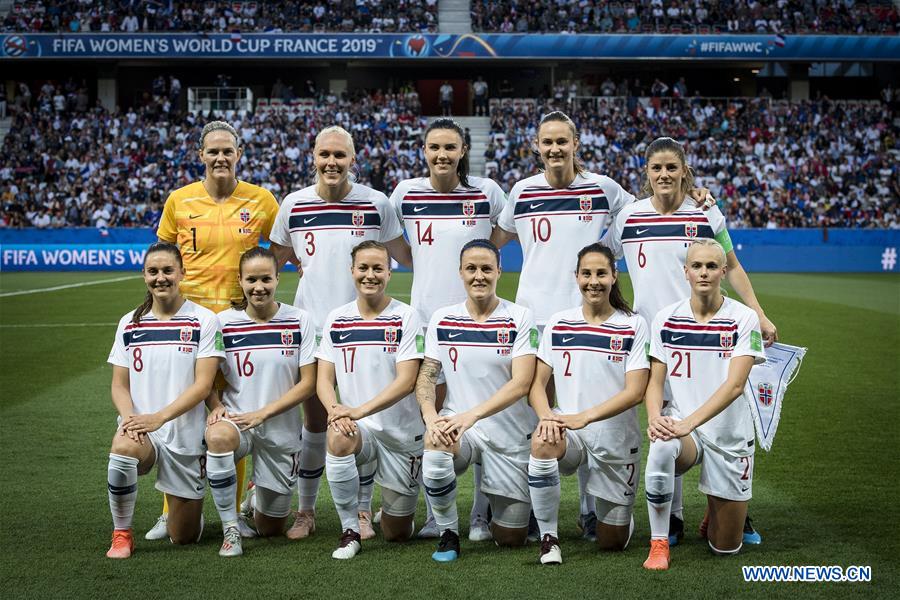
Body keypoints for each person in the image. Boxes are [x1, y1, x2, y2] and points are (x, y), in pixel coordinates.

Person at [603, 136, 777, 545]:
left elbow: (732, 265)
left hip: (706, 337)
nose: (664, 174)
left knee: (723, 417)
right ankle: (674, 518)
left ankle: (730, 507)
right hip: (655, 338)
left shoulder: (705, 212)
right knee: (666, 423)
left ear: (684, 171)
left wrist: (757, 311)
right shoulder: (628, 216)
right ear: (647, 173)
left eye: (672, 167)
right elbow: (604, 262)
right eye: (657, 168)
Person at [491, 110, 637, 538]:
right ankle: (533, 506)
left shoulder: (603, 187)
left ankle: (591, 508)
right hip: (534, 316)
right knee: (533, 413)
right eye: (547, 142)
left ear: (576, 144)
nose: (555, 148)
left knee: (587, 411)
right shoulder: (522, 190)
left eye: (562, 141)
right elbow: (495, 238)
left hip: (587, 316)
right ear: (536, 146)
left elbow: (638, 213)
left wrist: (607, 251)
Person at [269, 125, 412, 539]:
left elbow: (406, 255)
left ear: (353, 159)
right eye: (325, 154)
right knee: (316, 422)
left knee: (363, 418)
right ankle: (306, 510)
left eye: (339, 155)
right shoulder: (293, 204)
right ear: (313, 157)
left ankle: (363, 510)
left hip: (365, 329)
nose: (331, 162)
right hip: (311, 329)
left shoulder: (376, 203)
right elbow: (274, 261)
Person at [152, 120, 279, 541]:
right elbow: (165, 254)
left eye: (228, 150)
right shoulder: (179, 200)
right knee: (182, 414)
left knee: (230, 414)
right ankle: (170, 509)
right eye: (213, 151)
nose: (220, 157)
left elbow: (280, 251)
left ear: (239, 154)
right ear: (201, 155)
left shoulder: (261, 200)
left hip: (240, 325)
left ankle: (236, 509)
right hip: (188, 324)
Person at [389, 118, 506, 541]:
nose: (442, 155)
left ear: (462, 151)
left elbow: (497, 239)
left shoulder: (487, 191)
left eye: (450, 147)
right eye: (434, 147)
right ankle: (436, 514)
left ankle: (480, 513)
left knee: (483, 416)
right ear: (424, 151)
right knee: (433, 419)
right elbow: (399, 249)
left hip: (479, 320)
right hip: (425, 321)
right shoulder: (405, 193)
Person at [642, 239, 766, 570]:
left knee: (725, 548)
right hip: (687, 431)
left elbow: (735, 385)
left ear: (723, 272)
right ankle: (658, 543)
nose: (704, 272)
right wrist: (655, 417)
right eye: (696, 266)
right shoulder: (665, 318)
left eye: (712, 266)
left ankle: (715, 512)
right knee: (661, 444)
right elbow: (654, 382)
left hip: (728, 434)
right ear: (685, 272)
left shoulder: (744, 318)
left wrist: (689, 422)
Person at [527, 243, 650, 565]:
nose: (593, 281)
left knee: (612, 542)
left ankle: (614, 517)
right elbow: (537, 385)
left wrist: (586, 416)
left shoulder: (633, 325)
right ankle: (549, 538)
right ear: (576, 277)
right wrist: (546, 416)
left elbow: (636, 391)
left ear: (614, 276)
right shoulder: (559, 322)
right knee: (542, 441)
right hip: (571, 432)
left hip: (615, 439)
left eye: (600, 274)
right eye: (586, 274)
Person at [417, 239, 538, 562]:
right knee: (436, 441)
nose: (479, 276)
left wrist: (471, 415)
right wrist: (431, 416)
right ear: (460, 272)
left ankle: (509, 508)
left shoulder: (519, 317)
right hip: (461, 427)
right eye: (471, 268)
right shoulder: (443, 318)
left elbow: (521, 383)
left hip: (510, 435)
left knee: (510, 539)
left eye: (486, 268)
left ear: (499, 271)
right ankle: (448, 533)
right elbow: (427, 375)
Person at [105, 242, 224, 558]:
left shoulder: (204, 320)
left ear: (182, 272)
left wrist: (159, 417)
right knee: (122, 448)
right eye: (153, 271)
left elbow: (203, 385)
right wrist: (130, 419)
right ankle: (121, 534)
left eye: (168, 270)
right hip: (143, 430)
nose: (161, 278)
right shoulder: (130, 322)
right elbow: (118, 385)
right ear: (144, 275)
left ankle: (183, 517)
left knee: (183, 537)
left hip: (185, 435)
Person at [204, 247, 317, 557]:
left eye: (266, 279)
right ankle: (231, 527)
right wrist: (216, 405)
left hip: (280, 429)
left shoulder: (299, 320)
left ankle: (255, 497)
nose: (259, 287)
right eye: (251, 280)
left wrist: (263, 413)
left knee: (271, 528)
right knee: (218, 437)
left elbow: (308, 383)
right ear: (240, 281)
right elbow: (205, 377)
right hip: (237, 423)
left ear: (277, 278)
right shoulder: (222, 322)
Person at [317, 241, 424, 559]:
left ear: (390, 273)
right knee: (337, 436)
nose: (370, 275)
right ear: (352, 271)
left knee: (397, 533)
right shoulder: (337, 318)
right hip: (358, 429)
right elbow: (324, 379)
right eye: (363, 267)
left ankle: (393, 509)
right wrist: (335, 410)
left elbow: (407, 381)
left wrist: (358, 410)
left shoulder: (407, 317)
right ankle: (350, 530)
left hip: (400, 435)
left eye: (378, 268)